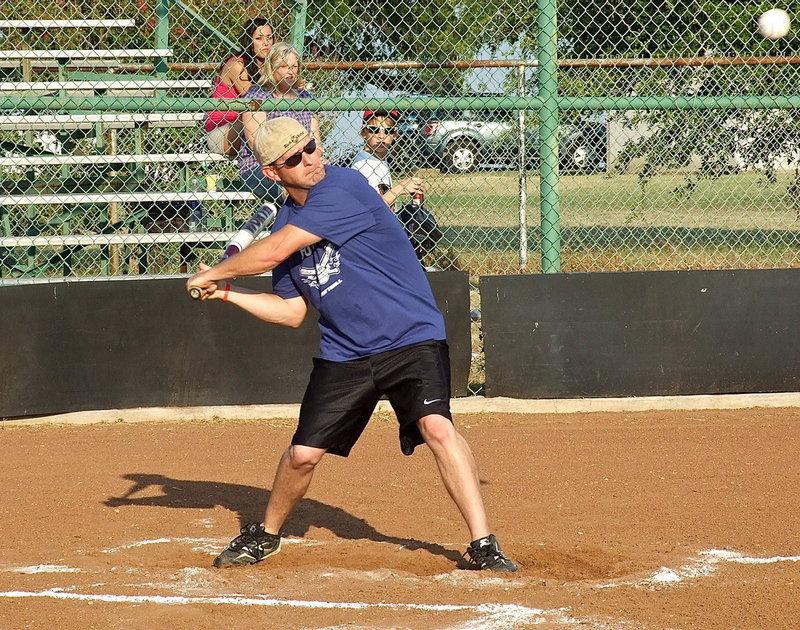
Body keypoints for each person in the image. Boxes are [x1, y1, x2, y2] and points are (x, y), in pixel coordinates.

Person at [186, 117, 518, 573]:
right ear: (272, 173)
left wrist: (214, 272)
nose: (311, 159)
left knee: (437, 427)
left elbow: (271, 251)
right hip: (345, 352)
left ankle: (483, 543)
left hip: (409, 336)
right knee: (302, 455)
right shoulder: (286, 225)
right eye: (295, 158)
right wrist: (225, 293)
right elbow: (291, 312)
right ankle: (265, 534)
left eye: (312, 146)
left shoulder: (343, 187)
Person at [238, 42, 323, 204]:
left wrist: (317, 155)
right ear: (271, 68)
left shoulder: (306, 97)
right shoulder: (257, 95)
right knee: (298, 193)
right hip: (263, 167)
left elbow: (315, 139)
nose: (290, 71)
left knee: (334, 184)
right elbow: (256, 142)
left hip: (303, 162)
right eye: (284, 66)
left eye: (294, 66)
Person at [205, 18, 275, 157]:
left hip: (252, 125)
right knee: (264, 117)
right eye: (259, 38)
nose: (266, 43)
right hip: (223, 132)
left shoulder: (269, 65)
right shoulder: (236, 65)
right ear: (249, 41)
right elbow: (255, 99)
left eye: (269, 38)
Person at [351, 109, 423, 210]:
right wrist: (401, 188)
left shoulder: (379, 161)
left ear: (395, 134)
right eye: (374, 129)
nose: (381, 136)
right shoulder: (363, 165)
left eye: (388, 130)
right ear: (364, 133)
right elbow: (373, 208)